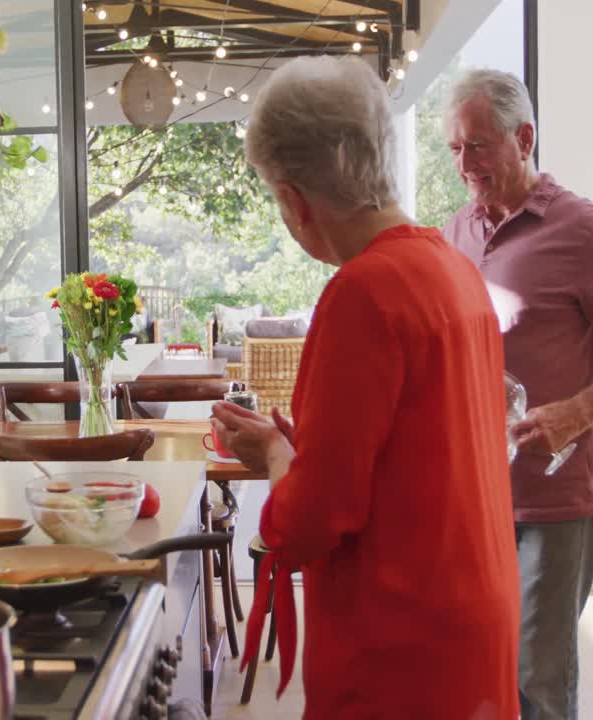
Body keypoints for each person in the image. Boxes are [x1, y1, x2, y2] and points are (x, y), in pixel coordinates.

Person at [210, 56, 519, 719]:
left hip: (398, 640)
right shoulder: (453, 270)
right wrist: (303, 450)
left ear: (293, 199)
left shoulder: (362, 293)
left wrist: (275, 458)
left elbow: (316, 522)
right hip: (473, 615)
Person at [442, 69, 593, 720]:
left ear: (525, 137)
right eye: (456, 149)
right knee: (481, 678)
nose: (466, 164)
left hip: (553, 502)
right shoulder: (456, 233)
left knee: (537, 686)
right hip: (474, 500)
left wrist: (577, 411)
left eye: (478, 146)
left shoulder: (584, 229)